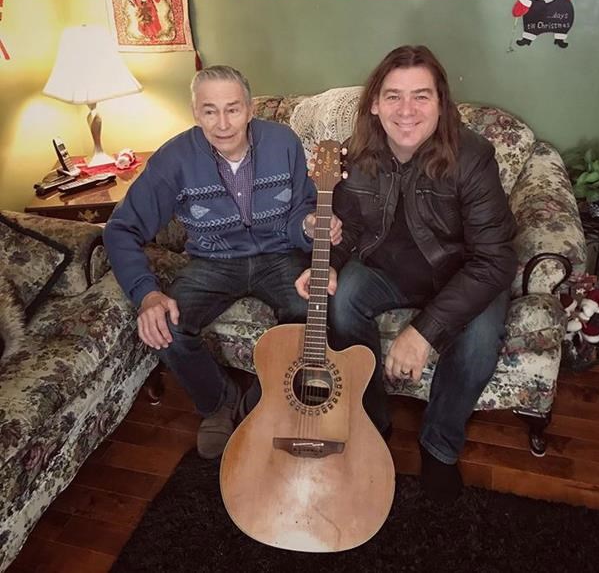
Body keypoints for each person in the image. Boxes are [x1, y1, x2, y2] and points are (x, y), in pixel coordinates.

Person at [296, 45, 517, 503]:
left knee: (479, 338)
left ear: (440, 103)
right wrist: (329, 263)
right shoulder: (357, 152)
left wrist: (423, 332)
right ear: (375, 104)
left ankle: (439, 446)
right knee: (342, 300)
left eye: (421, 96)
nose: (407, 110)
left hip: (464, 274)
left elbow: (494, 260)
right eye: (393, 96)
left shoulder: (473, 157)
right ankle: (373, 422)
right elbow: (348, 227)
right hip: (388, 269)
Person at [103, 65, 341, 459]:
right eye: (210, 111)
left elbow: (304, 207)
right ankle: (218, 402)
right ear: (195, 113)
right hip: (213, 260)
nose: (223, 123)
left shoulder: (283, 142)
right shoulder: (173, 159)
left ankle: (263, 401)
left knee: (309, 315)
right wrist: (146, 295)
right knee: (167, 326)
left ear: (250, 109)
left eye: (232, 109)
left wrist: (309, 224)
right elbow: (120, 228)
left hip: (280, 255)